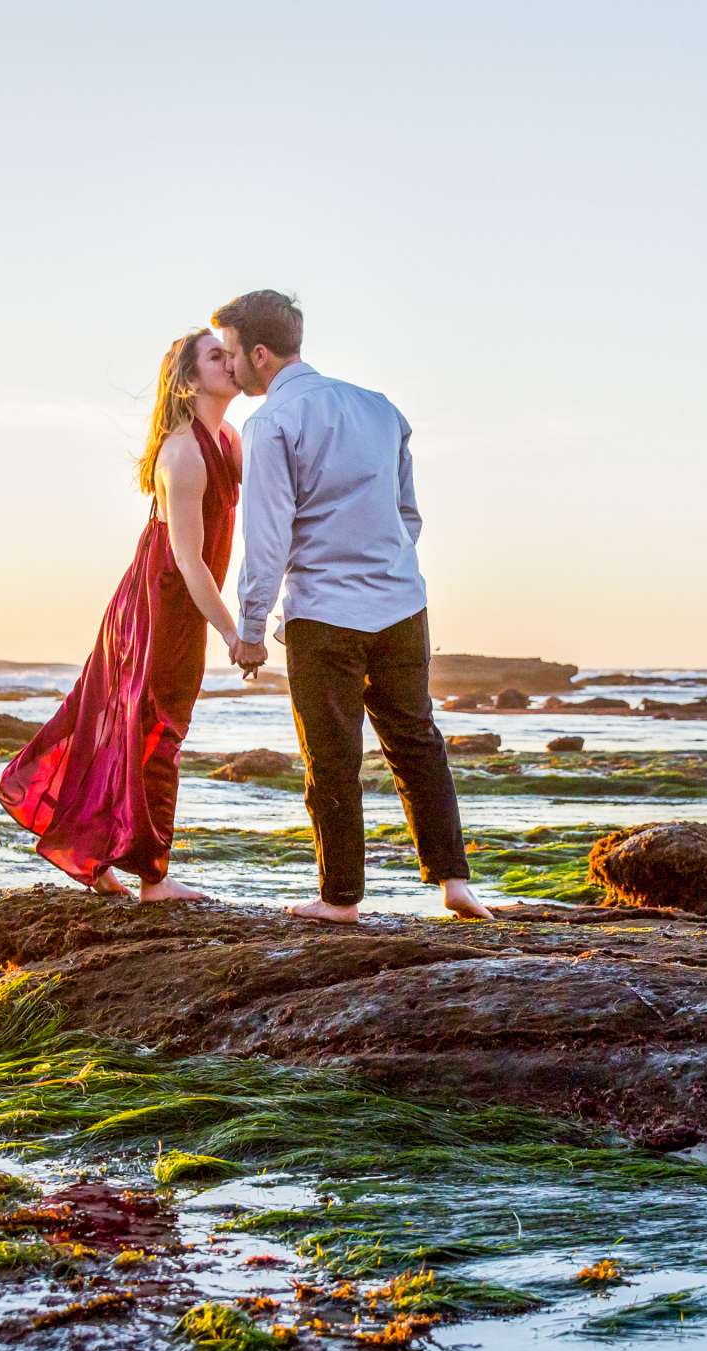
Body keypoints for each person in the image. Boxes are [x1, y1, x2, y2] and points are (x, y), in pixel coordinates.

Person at [213, 290, 490, 922]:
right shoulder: (379, 409)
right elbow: (408, 514)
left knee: (331, 756)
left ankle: (340, 899)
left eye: (231, 354)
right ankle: (454, 884)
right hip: (400, 602)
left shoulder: (271, 424)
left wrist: (252, 628)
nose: (229, 368)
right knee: (416, 741)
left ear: (259, 353)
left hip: (322, 611)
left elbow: (268, 535)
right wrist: (381, 563)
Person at [0, 329, 242, 901]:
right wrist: (231, 629)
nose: (230, 362)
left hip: (176, 602)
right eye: (215, 356)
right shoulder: (182, 452)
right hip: (159, 605)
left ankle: (88, 852)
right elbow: (186, 558)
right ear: (187, 379)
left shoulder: (228, 438)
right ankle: (153, 876)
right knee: (159, 729)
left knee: (118, 726)